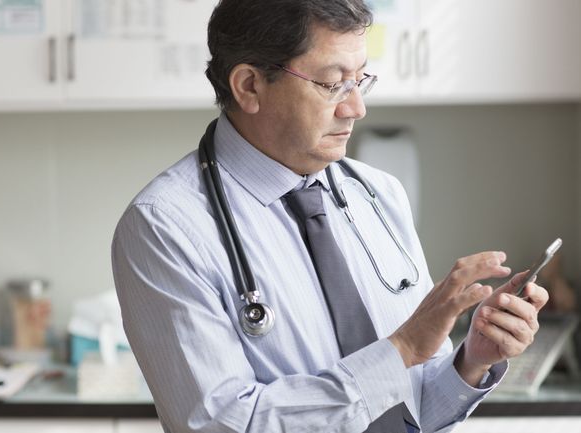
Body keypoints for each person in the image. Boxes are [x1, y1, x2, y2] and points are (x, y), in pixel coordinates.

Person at [111, 1, 549, 432]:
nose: (356, 108)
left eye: (360, 80)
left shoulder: (379, 195)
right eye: (332, 83)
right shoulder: (164, 227)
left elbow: (409, 409)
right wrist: (400, 350)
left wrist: (471, 361)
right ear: (249, 86)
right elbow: (218, 425)